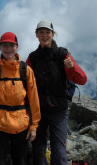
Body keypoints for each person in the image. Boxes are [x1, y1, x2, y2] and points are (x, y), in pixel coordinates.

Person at [27, 20, 87, 165]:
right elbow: (26, 82)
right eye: (41, 32)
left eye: (47, 32)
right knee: (38, 150)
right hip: (38, 111)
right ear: (36, 35)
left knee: (59, 150)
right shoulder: (33, 58)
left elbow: (82, 79)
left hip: (58, 110)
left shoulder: (63, 54)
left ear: (53, 34)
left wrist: (72, 68)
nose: (44, 35)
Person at [0, 31, 41, 165]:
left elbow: (34, 99)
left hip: (22, 126)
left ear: (17, 47)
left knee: (20, 161)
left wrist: (34, 126)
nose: (8, 49)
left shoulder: (26, 70)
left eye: (11, 46)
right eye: (5, 46)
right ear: (0, 47)